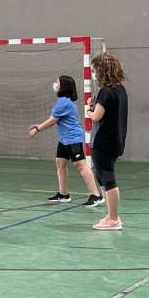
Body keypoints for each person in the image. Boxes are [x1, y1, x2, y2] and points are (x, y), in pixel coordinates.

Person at [28, 75, 104, 207]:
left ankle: (96, 195)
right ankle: (63, 195)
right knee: (60, 162)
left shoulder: (63, 102)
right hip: (64, 139)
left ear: (62, 87)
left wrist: (37, 128)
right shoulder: (63, 101)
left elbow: (53, 120)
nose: (55, 84)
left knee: (81, 165)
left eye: (57, 82)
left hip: (72, 138)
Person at [86, 52, 128, 231]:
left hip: (103, 142)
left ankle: (113, 218)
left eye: (95, 71)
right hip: (116, 140)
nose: (94, 74)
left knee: (108, 178)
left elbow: (96, 116)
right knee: (102, 176)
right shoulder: (120, 90)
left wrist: (88, 110)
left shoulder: (105, 91)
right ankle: (111, 215)